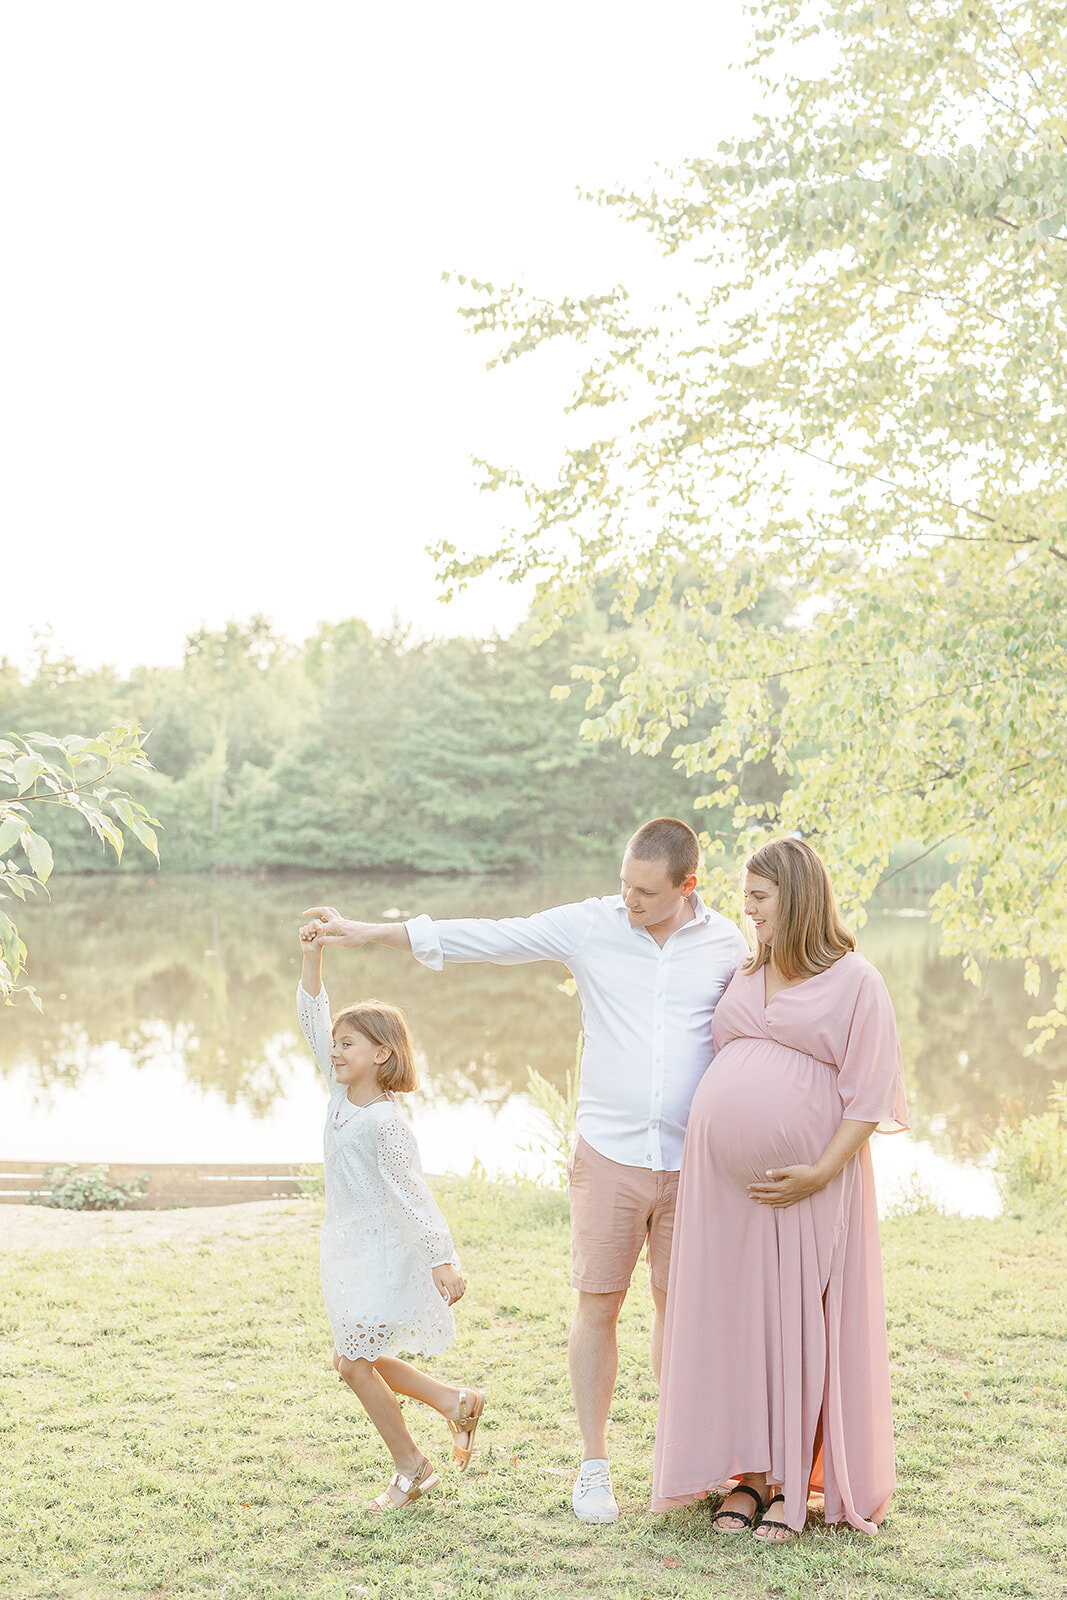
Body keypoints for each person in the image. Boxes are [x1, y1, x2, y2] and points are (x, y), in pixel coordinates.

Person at [304, 816, 748, 1524]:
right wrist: (367, 932)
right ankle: (594, 1465)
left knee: (681, 1311)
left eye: (642, 892)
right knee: (598, 1303)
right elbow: (490, 936)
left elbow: (756, 1030)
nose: (626, 900)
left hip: (695, 1162)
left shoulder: (727, 943)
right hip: (609, 1155)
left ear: (686, 886)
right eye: (622, 884)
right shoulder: (591, 926)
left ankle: (683, 1457)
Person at [651, 835, 908, 1541]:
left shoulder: (856, 981)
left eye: (758, 898)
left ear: (793, 897)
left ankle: (792, 1484)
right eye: (745, 898)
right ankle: (750, 1478)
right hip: (723, 1196)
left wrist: (821, 1170)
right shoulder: (745, 969)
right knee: (737, 1323)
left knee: (795, 1324)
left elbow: (870, 1092)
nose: (748, 910)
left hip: (805, 1188)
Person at [296, 920, 486, 1512]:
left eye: (348, 1044)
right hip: (346, 1247)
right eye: (335, 1043)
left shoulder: (386, 1123)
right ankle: (454, 1402)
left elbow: (412, 1195)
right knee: (359, 1354)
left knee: (352, 1360)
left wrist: (442, 1260)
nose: (335, 1050)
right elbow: (310, 1016)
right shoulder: (337, 1092)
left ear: (382, 1053)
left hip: (382, 1249)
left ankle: (413, 1467)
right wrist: (312, 957)